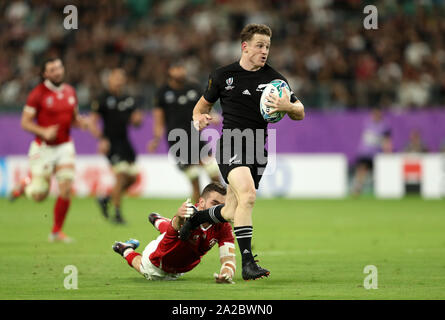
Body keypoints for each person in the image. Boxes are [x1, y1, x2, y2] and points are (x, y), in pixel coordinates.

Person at [179, 24, 305, 280]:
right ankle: (248, 263)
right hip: (232, 145)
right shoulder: (223, 75)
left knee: (230, 210)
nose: (264, 51)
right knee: (248, 195)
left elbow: (300, 111)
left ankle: (196, 219)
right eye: (259, 45)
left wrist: (287, 106)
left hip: (259, 149)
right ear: (244, 47)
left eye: (268, 46)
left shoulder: (275, 79)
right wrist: (198, 120)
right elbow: (200, 108)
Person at [10, 57, 86, 242]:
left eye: (59, 67)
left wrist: (82, 123)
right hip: (43, 148)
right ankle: (26, 183)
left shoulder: (70, 91)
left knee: (66, 188)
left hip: (65, 145)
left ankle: (56, 231)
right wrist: (43, 130)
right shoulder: (37, 94)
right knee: (39, 196)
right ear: (45, 74)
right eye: (52, 69)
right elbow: (25, 123)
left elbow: (73, 118)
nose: (58, 71)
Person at [112, 182, 236, 283]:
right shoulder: (188, 213)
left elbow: (228, 259)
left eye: (221, 206)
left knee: (174, 232)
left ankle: (157, 219)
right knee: (144, 267)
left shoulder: (224, 226)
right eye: (214, 203)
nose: (217, 209)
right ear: (202, 202)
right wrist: (179, 216)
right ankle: (125, 249)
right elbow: (177, 224)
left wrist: (226, 274)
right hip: (159, 262)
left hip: (182, 267)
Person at [147, 62, 221, 202]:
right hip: (177, 140)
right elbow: (159, 119)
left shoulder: (193, 88)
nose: (181, 72)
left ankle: (222, 208)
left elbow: (205, 106)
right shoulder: (162, 93)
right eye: (177, 68)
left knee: (214, 173)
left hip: (196, 137)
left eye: (182, 68)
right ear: (170, 71)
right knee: (194, 181)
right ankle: (198, 216)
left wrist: (213, 114)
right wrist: (156, 139)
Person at [87, 68, 144, 224]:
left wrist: (138, 119)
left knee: (132, 178)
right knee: (121, 175)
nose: (119, 80)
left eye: (121, 78)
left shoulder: (128, 99)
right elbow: (91, 122)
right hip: (111, 143)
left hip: (125, 143)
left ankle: (106, 199)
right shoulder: (103, 98)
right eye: (116, 78)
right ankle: (117, 213)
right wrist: (101, 139)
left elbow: (137, 122)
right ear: (109, 80)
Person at [352, 107, 392, 196]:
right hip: (365, 152)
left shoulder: (384, 127)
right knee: (361, 170)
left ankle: (379, 190)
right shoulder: (368, 124)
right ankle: (357, 188)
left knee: (375, 173)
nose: (375, 116)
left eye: (377, 114)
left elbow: (387, 141)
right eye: (374, 114)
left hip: (376, 154)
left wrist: (387, 152)